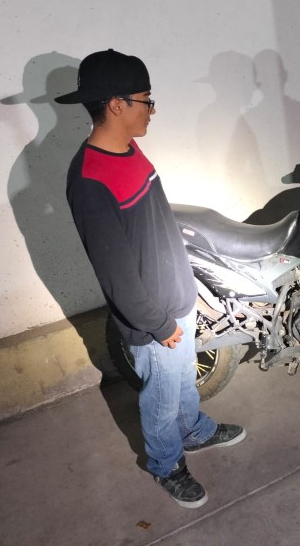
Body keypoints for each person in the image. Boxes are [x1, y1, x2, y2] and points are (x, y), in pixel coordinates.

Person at [56, 49, 246, 509]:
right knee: (160, 398)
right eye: (146, 100)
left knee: (182, 382)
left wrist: (186, 287)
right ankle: (166, 464)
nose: (152, 110)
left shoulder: (128, 148)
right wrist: (158, 325)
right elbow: (115, 272)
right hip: (152, 319)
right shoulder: (90, 179)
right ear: (116, 104)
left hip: (175, 297)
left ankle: (194, 431)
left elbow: (155, 224)